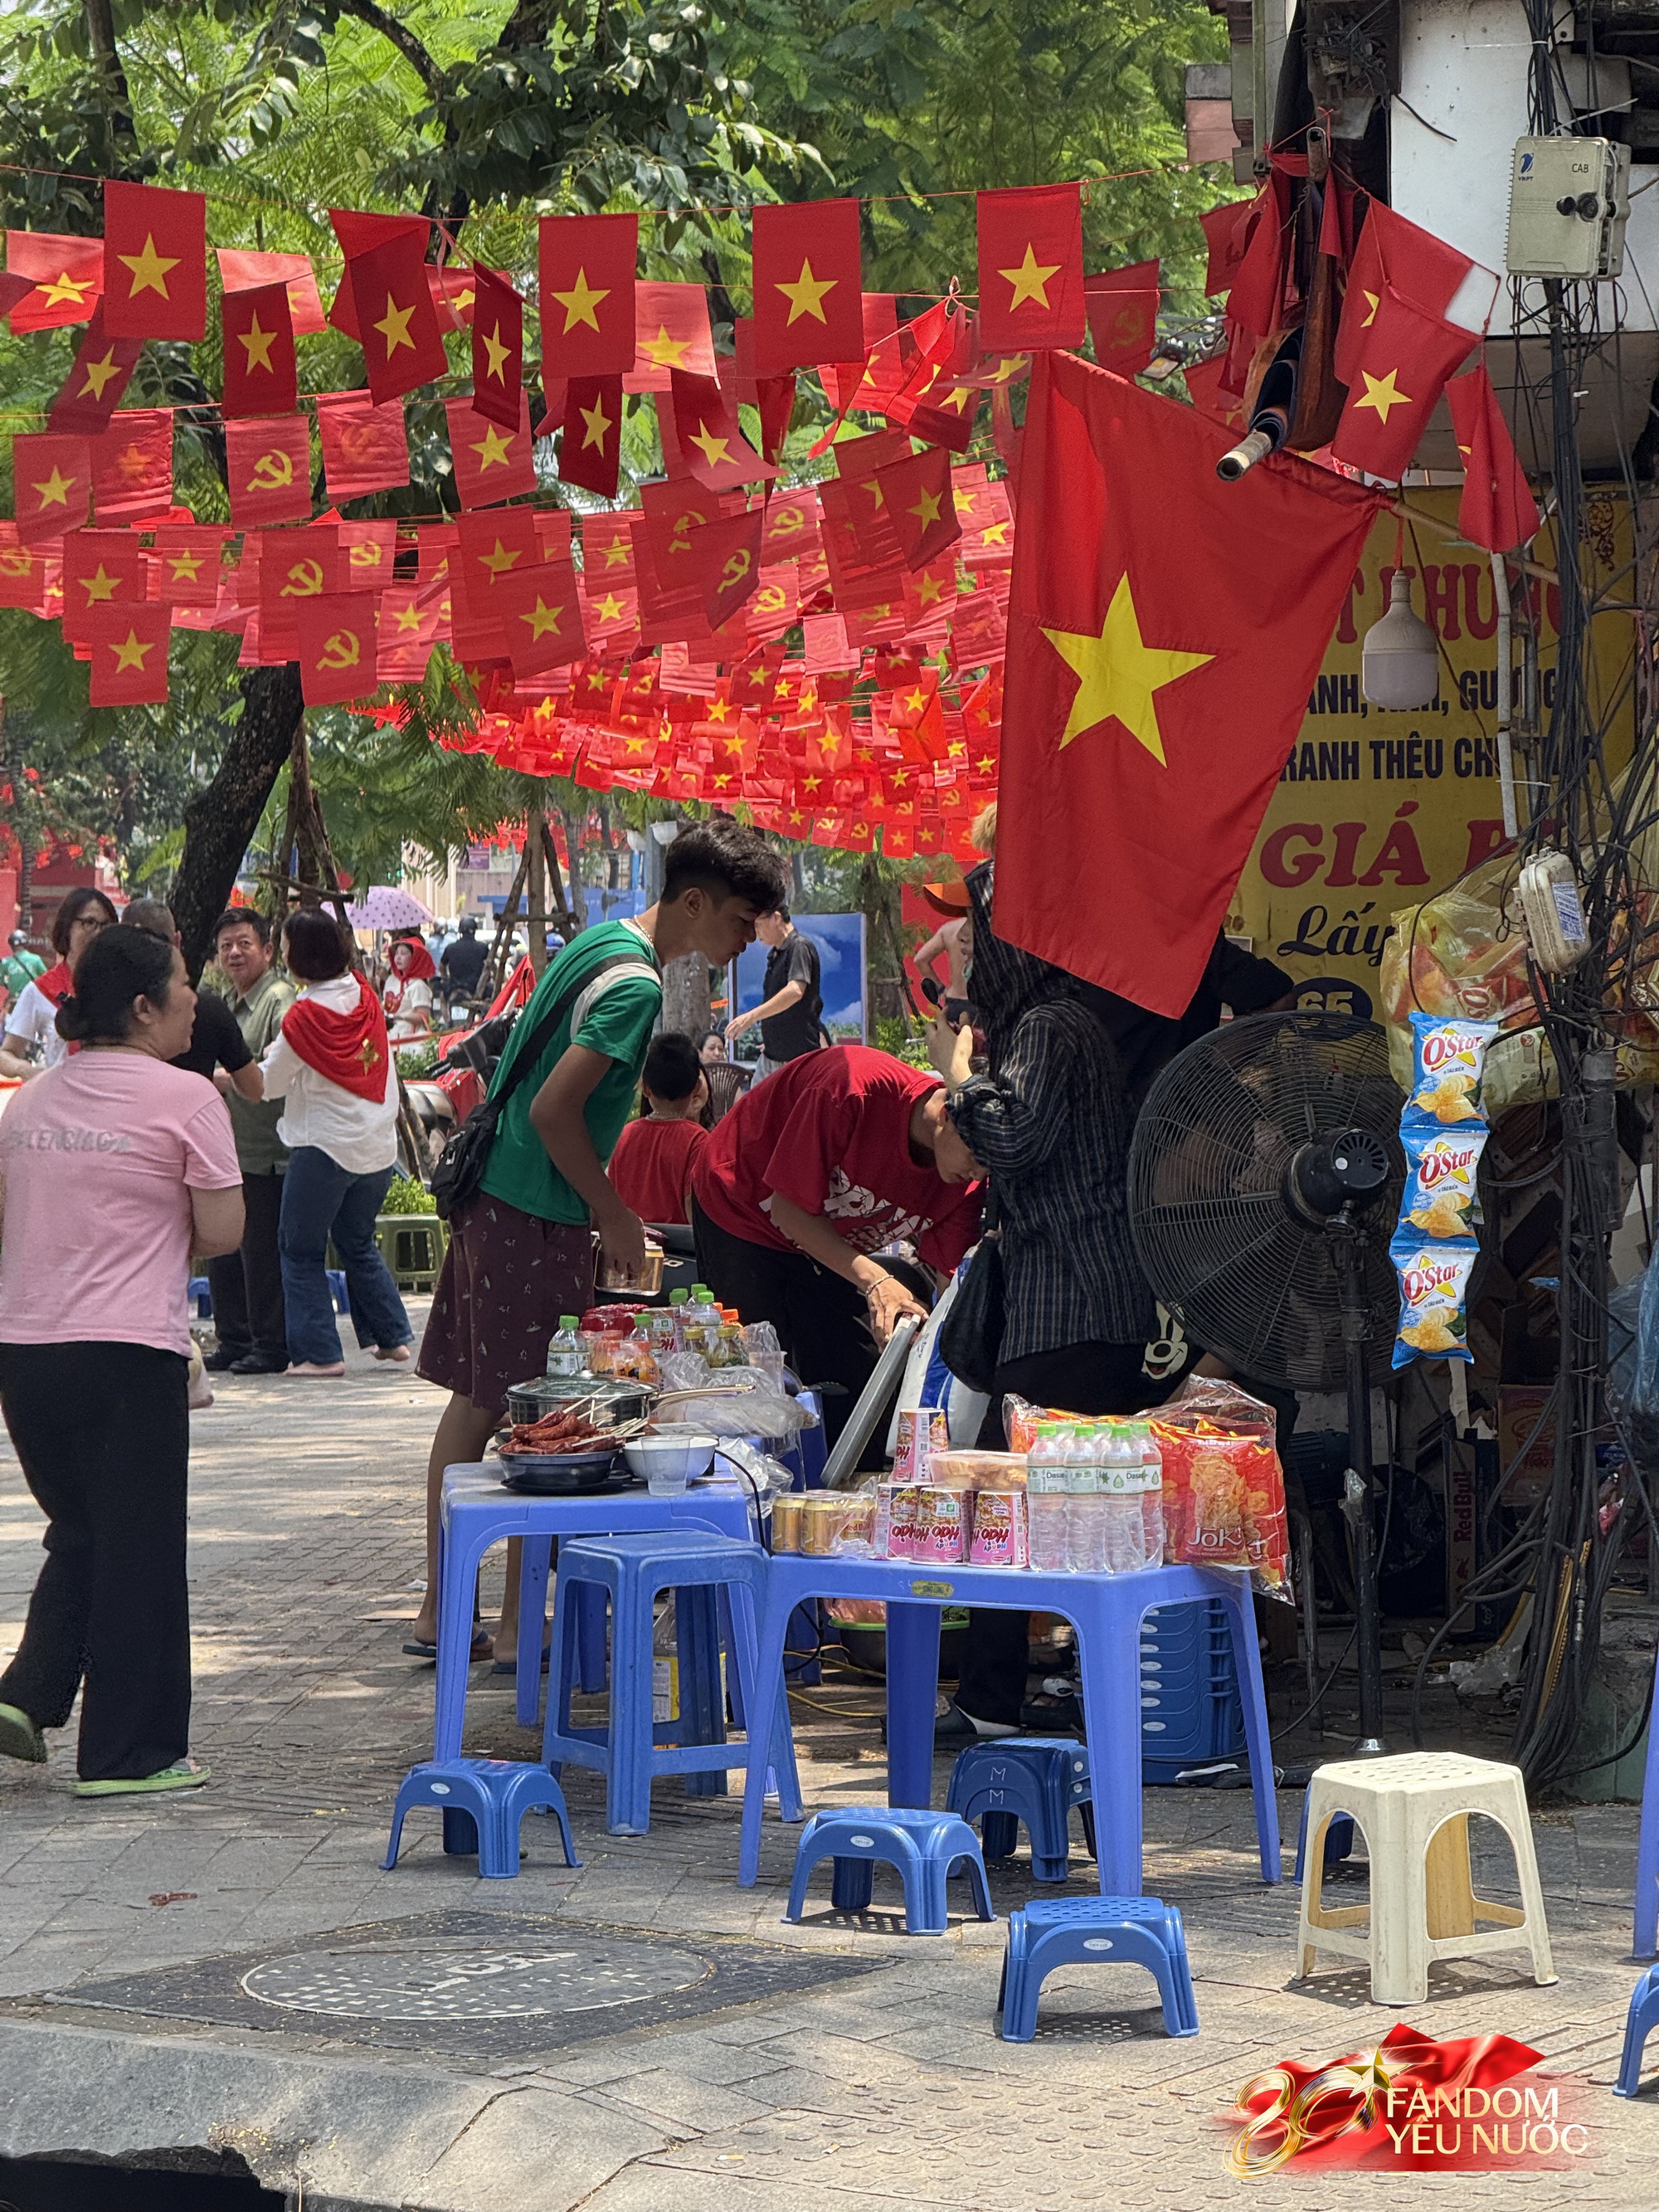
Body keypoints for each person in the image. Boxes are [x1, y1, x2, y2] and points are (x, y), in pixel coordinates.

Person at [409, 817, 786, 1659]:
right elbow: (553, 1109)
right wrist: (611, 1211)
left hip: (497, 1193)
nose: (740, 944)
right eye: (736, 923)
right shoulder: (636, 987)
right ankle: (510, 1628)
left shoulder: (601, 941)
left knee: (478, 1405)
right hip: (530, 1205)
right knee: (545, 1421)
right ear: (694, 901)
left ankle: (449, 1609)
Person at [0, 927, 243, 1794]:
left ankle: (28, 1691)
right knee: (139, 1547)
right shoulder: (185, 1099)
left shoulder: (28, 1101)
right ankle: (128, 1753)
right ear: (143, 1005)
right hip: (126, 1352)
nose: (194, 998)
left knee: (88, 1529)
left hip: (26, 1356)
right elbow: (222, 1230)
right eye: (183, 984)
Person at [923, 859, 1159, 1746]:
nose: (966, 956)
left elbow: (1010, 1134)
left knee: (1006, 1496)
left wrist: (954, 1075)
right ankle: (1032, 1689)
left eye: (977, 937)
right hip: (1067, 1302)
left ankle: (997, 1695)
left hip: (1071, 1303)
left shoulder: (1051, 1027)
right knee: (1036, 1502)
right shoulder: (1044, 1025)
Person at [690, 1043, 984, 1460]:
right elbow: (788, 1212)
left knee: (859, 1381)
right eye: (976, 1157)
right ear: (945, 1115)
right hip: (744, 1206)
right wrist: (878, 1280)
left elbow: (947, 1292)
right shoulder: (852, 1089)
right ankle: (762, 1494)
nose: (977, 1174)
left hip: (829, 1243)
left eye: (989, 1166)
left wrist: (915, 1340)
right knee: (760, 1378)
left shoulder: (966, 1184)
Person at [258, 909, 413, 1377]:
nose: (282, 953)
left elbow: (268, 1085)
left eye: (284, 945)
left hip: (323, 1149)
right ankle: (392, 1337)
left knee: (299, 1249)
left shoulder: (302, 1017)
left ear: (298, 955)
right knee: (357, 1240)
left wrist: (226, 1075)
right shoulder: (364, 994)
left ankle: (319, 1354)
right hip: (377, 1147)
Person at [204, 907, 295, 1376]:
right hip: (227, 1149)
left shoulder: (280, 1000)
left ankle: (270, 1345)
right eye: (226, 947)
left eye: (244, 943)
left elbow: (276, 1068)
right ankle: (233, 1339)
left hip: (269, 1151)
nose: (234, 953)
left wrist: (224, 1078)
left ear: (266, 948)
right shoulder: (223, 1002)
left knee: (261, 1253)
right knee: (222, 1249)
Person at [121, 900, 265, 1109]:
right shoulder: (209, 1010)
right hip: (190, 1129)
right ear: (177, 941)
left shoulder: (105, 1011)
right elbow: (254, 1088)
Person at [0, 887, 117, 1079]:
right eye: (89, 923)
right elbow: (6, 1054)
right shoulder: (40, 991)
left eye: (106, 925)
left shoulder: (124, 987)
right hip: (61, 1099)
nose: (98, 933)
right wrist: (29, 1072)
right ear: (67, 928)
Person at [608, 1031, 709, 1225]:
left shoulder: (624, 1135)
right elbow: (693, 1206)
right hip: (678, 1249)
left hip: (631, 1243)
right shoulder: (697, 1140)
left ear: (646, 1088)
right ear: (696, 1088)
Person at [724, 907, 823, 1079]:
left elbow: (795, 991)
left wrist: (751, 1017)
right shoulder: (775, 954)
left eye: (758, 925)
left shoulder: (799, 946)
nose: (755, 933)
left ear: (776, 918)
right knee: (753, 1105)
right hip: (771, 1055)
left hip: (795, 1058)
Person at [913, 882, 974, 1027]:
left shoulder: (949, 930)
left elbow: (920, 959)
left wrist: (940, 988)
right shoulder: (986, 929)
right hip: (979, 1004)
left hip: (954, 1001)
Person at [384, 936, 435, 1045]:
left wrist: (399, 1016)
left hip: (409, 1043)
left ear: (414, 958)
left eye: (403, 953)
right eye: (397, 953)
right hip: (390, 1039)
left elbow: (423, 1016)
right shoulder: (391, 981)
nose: (398, 957)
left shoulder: (418, 985)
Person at [440, 916, 488, 1016]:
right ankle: (487, 1020)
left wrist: (445, 978)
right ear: (475, 930)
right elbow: (491, 966)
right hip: (476, 988)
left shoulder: (450, 948)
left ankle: (447, 1022)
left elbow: (442, 966)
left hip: (453, 987)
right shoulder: (482, 948)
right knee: (493, 1000)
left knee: (442, 999)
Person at [0, 928, 45, 1004]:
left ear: (11, 945)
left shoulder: (5, 962)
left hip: (14, 1000)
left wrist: (9, 984)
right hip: (32, 1000)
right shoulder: (36, 959)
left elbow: (1, 981)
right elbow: (45, 977)